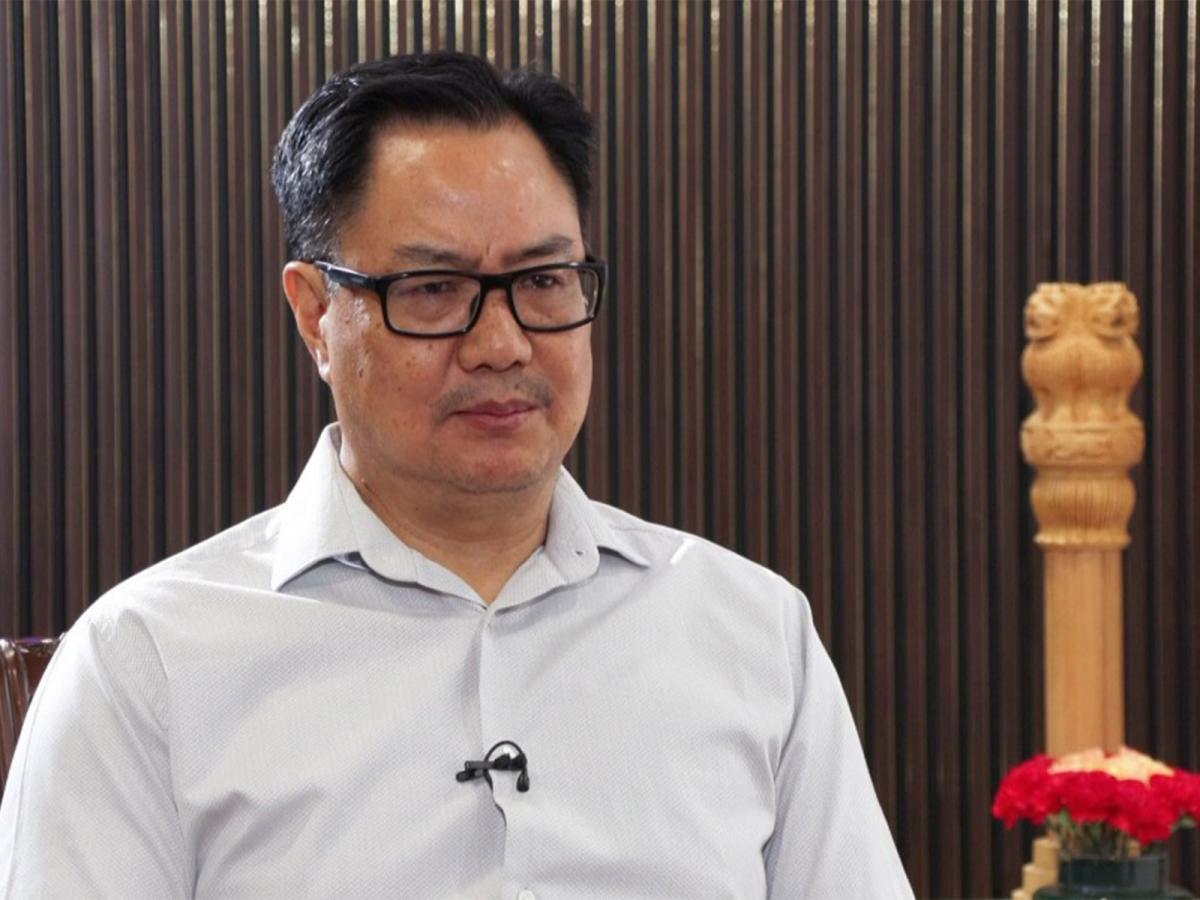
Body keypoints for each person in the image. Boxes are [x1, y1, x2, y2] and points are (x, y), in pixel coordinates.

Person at [0, 52, 910, 898]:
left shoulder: (754, 634)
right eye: (433, 290)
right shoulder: (145, 664)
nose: (502, 344)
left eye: (544, 280)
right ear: (316, 315)